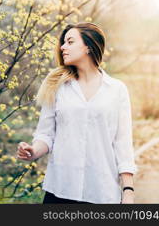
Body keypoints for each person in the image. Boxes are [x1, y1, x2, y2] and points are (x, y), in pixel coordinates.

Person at [17, 22, 137, 204]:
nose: (63, 47)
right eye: (63, 42)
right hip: (60, 190)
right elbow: (46, 134)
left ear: (88, 47)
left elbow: (123, 144)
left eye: (70, 42)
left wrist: (128, 190)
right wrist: (33, 151)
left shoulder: (117, 90)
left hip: (102, 192)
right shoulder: (56, 85)